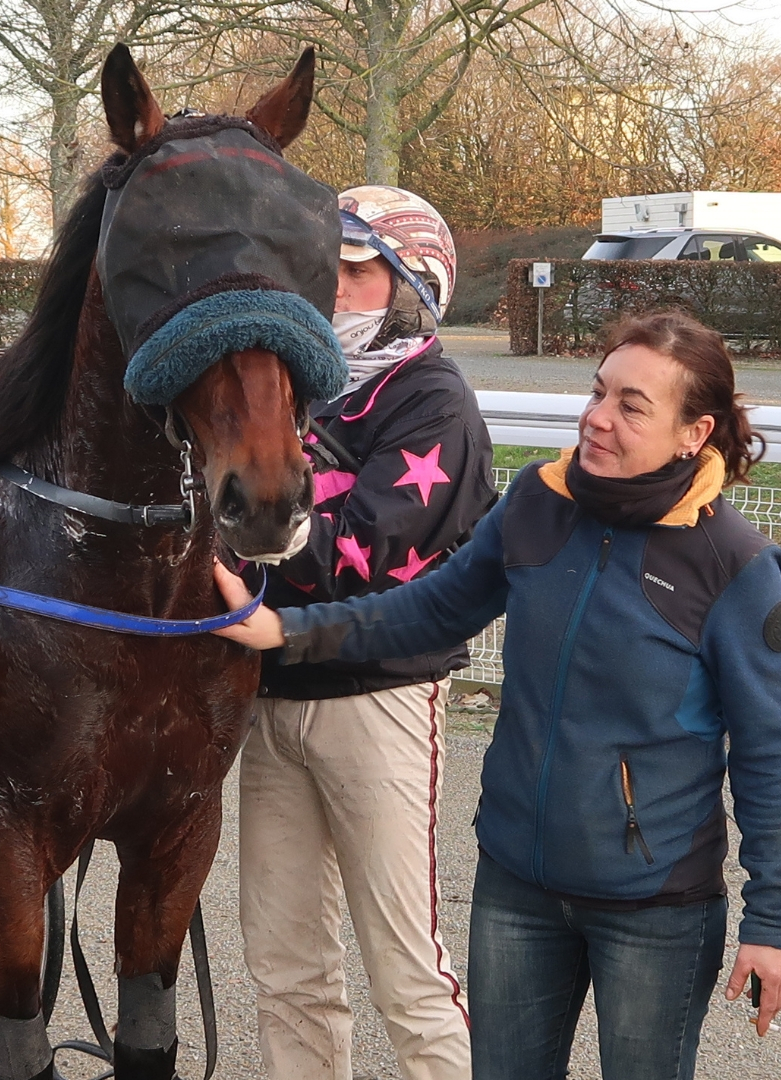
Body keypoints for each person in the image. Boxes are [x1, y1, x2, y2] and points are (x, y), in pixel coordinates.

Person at [214, 310, 781, 1080]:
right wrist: (284, 632)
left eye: (632, 406)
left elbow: (768, 753)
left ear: (694, 433)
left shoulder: (734, 564)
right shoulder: (538, 501)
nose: (597, 418)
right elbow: (429, 607)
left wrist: (773, 922)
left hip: (657, 907)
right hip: (516, 889)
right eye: (599, 392)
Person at [233, 185, 491, 1080]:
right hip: (273, 702)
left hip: (377, 698)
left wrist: (238, 555)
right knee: (284, 966)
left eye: (353, 270)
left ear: (410, 286)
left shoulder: (435, 402)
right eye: (321, 268)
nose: (328, 288)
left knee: (407, 972)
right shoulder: (283, 389)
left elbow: (367, 555)